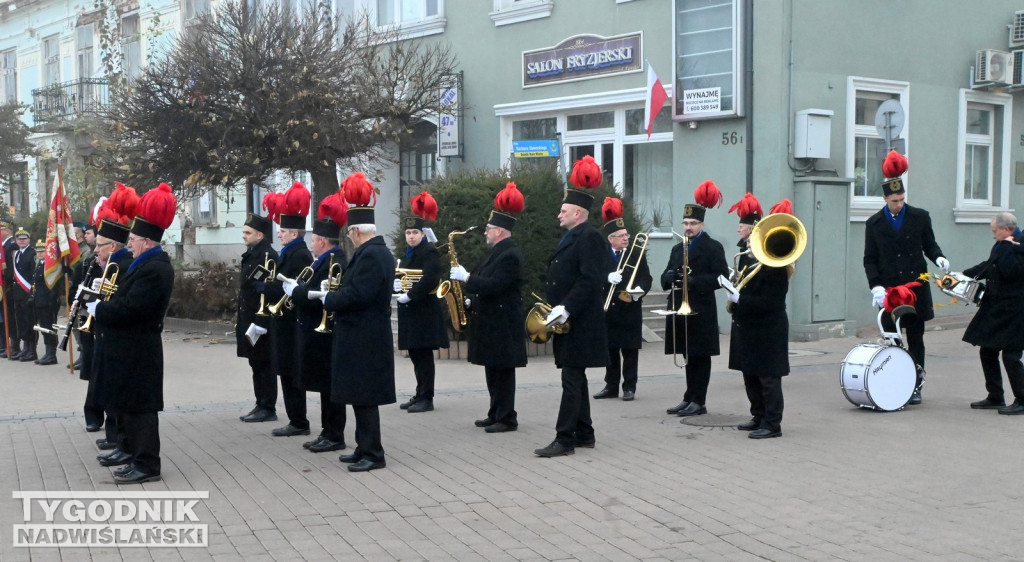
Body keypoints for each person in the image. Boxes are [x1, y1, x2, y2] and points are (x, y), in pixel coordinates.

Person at [87, 183, 176, 484]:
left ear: (148, 242)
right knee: (129, 406)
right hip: (130, 348)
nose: (131, 244)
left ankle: (147, 464)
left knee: (141, 410)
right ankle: (133, 456)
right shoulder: (147, 262)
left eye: (135, 240)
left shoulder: (154, 268)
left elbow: (131, 309)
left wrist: (98, 309)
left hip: (140, 348)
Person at [320, 173, 395, 472]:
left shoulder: (372, 256)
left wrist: (329, 298)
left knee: (365, 398)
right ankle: (363, 446)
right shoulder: (371, 252)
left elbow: (358, 295)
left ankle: (373, 453)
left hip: (366, 336)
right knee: (358, 395)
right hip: (361, 335)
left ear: (355, 231)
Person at [534, 156, 608, 458]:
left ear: (578, 213)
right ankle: (585, 433)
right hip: (569, 320)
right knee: (574, 376)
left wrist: (567, 307)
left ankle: (564, 439)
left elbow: (590, 280)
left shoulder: (588, 237)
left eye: (563, 210)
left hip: (580, 321)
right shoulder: (573, 235)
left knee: (572, 380)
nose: (558, 214)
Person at [864, 150, 949, 405]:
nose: (899, 204)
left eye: (902, 199)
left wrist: (940, 258)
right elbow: (869, 259)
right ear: (885, 198)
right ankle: (892, 381)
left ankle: (916, 383)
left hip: (915, 287)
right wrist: (876, 286)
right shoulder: (874, 223)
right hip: (890, 289)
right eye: (894, 200)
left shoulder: (920, 216)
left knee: (916, 337)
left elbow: (929, 245)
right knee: (892, 337)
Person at [450, 182, 527, 433]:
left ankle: (507, 417)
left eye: (489, 228)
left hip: (503, 322)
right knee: (492, 370)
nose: (485, 232)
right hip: (492, 320)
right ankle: (495, 412)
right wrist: (473, 299)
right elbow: (490, 286)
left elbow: (496, 285)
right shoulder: (496, 252)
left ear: (501, 231)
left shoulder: (510, 254)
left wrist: (467, 278)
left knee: (503, 372)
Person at [727, 199, 796, 439]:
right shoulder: (749, 258)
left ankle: (772, 424)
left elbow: (771, 302)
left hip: (769, 327)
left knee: (768, 378)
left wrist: (739, 299)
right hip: (750, 325)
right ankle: (758, 416)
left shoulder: (776, 266)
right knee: (750, 374)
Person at [286, 193, 348, 452]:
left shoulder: (334, 262)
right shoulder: (323, 260)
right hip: (315, 332)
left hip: (326, 334)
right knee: (323, 387)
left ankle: (335, 434)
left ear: (322, 241)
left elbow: (321, 297)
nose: (311, 243)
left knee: (330, 387)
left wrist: (295, 292)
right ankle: (327, 431)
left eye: (313, 239)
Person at [662, 181, 729, 418]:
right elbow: (665, 276)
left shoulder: (712, 247)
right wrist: (669, 277)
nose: (688, 227)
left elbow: (722, 277)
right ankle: (689, 396)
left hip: (700, 309)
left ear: (702, 224)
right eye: (686, 223)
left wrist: (694, 281)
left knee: (700, 355)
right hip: (679, 308)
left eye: (692, 224)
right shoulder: (677, 248)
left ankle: (699, 400)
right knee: (687, 354)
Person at [263, 182, 314, 438]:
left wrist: (268, 287)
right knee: (284, 371)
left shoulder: (300, 255)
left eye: (283, 231)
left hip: (291, 322)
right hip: (282, 321)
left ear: (295, 234)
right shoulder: (288, 252)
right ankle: (295, 418)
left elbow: (290, 286)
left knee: (291, 373)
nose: (279, 234)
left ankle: (299, 420)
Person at [961, 212, 1024, 415]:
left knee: (1011, 356)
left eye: (995, 231)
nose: (993, 234)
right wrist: (963, 274)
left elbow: (1010, 271)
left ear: (1007, 230)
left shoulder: (1018, 245)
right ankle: (995, 396)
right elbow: (990, 265)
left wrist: (1006, 245)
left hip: (1016, 310)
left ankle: (1022, 399)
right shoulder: (1004, 244)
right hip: (996, 307)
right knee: (987, 350)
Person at [395, 191, 449, 413]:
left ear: (422, 233)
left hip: (424, 310)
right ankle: (419, 393)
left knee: (424, 356)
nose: (411, 236)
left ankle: (427, 397)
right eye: (408, 233)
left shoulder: (429, 251)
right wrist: (397, 285)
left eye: (415, 232)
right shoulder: (408, 252)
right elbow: (403, 273)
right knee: (416, 355)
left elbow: (430, 279)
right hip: (412, 311)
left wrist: (410, 294)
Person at [594, 197, 652, 402]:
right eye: (621, 236)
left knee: (630, 351)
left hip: (630, 309)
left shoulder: (636, 253)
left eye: (627, 234)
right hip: (609, 310)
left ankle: (629, 387)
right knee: (610, 350)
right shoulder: (600, 254)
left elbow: (647, 277)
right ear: (611, 238)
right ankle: (611, 386)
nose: (626, 238)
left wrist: (639, 290)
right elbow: (592, 275)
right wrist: (606, 277)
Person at [237, 211, 279, 423]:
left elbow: (269, 290)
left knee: (265, 364)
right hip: (249, 317)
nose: (243, 235)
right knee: (255, 363)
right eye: (243, 232)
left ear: (260, 235)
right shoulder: (253, 254)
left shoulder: (268, 256)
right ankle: (260, 402)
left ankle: (268, 406)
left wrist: (261, 321)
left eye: (248, 232)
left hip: (261, 320)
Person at [29, 239, 62, 366]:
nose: (39, 254)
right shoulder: (39, 264)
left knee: (49, 327)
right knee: (43, 327)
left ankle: (51, 354)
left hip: (48, 301)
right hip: (39, 300)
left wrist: (51, 299)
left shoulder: (51, 265)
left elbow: (54, 285)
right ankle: (48, 353)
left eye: (42, 251)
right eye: (38, 251)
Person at [9, 228, 36, 362]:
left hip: (27, 294)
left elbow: (33, 275)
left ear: (29, 240)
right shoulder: (17, 253)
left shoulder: (32, 253)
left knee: (29, 321)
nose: (22, 241)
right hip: (18, 294)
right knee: (21, 321)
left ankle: (31, 350)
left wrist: (31, 293)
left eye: (24, 239)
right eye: (19, 239)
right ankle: (25, 347)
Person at [1, 218, 15, 358]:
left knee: (10, 317)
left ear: (7, 230)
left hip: (9, 285)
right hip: (5, 285)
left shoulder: (11, 245)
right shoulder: (4, 245)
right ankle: (4, 344)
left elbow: (12, 268)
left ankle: (10, 345)